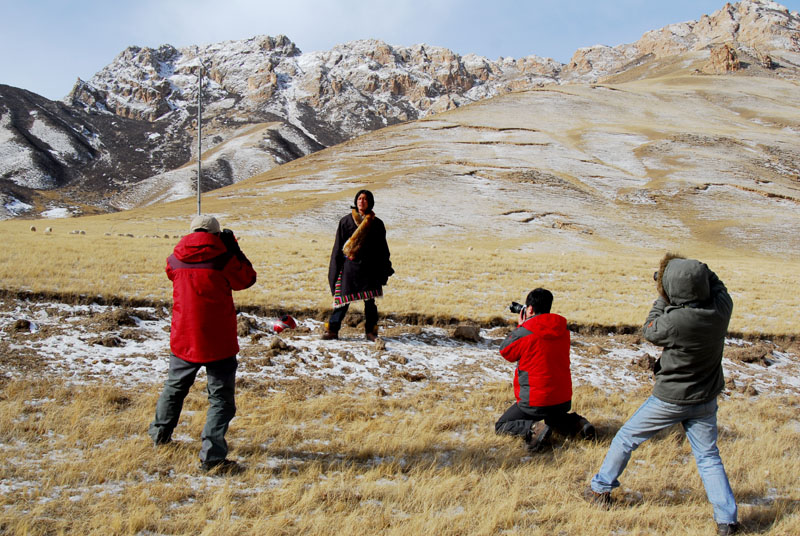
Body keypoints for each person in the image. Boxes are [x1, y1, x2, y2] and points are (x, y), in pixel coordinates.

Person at [585, 254, 739, 536]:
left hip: (669, 399)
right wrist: (694, 275)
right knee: (708, 457)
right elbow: (718, 285)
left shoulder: (675, 321)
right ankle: (727, 520)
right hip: (705, 398)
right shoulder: (721, 309)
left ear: (675, 292)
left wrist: (663, 294)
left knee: (626, 438)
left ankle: (600, 489)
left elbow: (650, 329)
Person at [148, 214, 257, 473]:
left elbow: (170, 272)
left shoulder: (175, 258)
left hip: (184, 336)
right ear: (217, 235)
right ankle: (212, 456)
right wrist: (235, 249)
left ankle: (159, 436)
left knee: (174, 389)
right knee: (220, 399)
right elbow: (247, 279)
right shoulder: (223, 257)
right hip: (217, 339)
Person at [496, 288, 595, 452]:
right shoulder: (563, 330)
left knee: (502, 425)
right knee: (553, 418)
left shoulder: (525, 331)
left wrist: (521, 326)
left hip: (534, 401)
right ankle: (578, 424)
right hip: (562, 400)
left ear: (529, 309)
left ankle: (534, 429)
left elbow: (505, 351)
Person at [323, 189, 393, 341]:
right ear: (356, 201)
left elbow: (382, 248)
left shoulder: (377, 223)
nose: (362, 201)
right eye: (360, 198)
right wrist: (334, 270)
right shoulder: (346, 221)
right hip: (350, 268)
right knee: (342, 300)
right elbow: (338, 247)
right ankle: (333, 330)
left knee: (370, 303)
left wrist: (385, 266)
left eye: (365, 199)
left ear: (370, 202)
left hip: (370, 268)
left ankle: (371, 332)